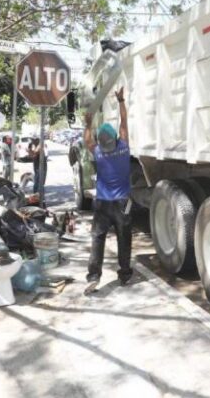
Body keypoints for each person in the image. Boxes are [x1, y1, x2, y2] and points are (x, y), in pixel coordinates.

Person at [84, 87, 132, 294]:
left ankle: (94, 275)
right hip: (123, 203)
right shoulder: (123, 147)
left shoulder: (98, 153)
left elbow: (87, 140)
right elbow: (124, 123)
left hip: (103, 204)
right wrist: (121, 100)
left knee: (98, 238)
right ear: (115, 138)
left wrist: (88, 123)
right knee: (124, 238)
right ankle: (124, 274)